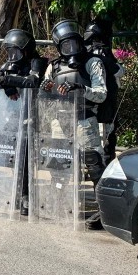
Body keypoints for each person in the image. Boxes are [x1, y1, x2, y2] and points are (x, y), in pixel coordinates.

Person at [41, 19, 108, 228]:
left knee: (94, 164)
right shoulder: (54, 66)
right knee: (59, 165)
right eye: (65, 45)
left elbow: (102, 94)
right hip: (60, 122)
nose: (71, 49)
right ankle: (57, 204)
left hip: (84, 120)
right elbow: (45, 95)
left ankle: (104, 212)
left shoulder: (92, 62)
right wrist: (45, 88)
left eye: (74, 43)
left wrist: (80, 89)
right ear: (59, 47)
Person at [0, 29, 47, 214]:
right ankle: (17, 192)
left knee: (27, 156)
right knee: (14, 153)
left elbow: (32, 81)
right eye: (10, 52)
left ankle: (27, 196)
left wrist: (6, 80)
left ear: (27, 50)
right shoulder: (11, 65)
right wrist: (7, 86)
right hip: (15, 115)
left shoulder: (37, 62)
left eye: (16, 51)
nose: (13, 56)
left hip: (34, 115)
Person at [84, 18, 122, 163]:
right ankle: (100, 165)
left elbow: (118, 71)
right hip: (91, 101)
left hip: (103, 101)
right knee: (100, 138)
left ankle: (104, 165)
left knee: (106, 135)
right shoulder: (85, 54)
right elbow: (118, 71)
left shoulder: (102, 53)